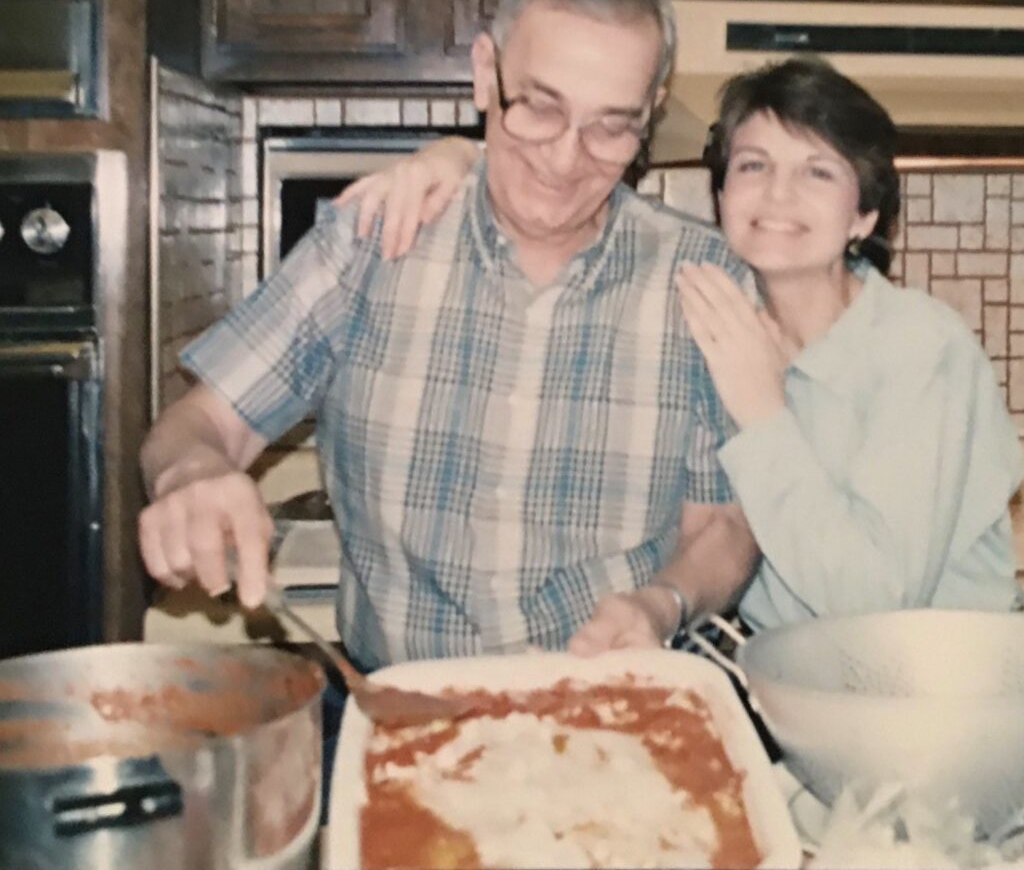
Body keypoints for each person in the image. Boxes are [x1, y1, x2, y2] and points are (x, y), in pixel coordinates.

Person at [138, 0, 760, 672]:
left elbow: (721, 524)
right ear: (483, 73)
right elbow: (198, 425)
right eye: (538, 106)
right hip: (402, 713)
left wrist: (664, 604)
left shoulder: (703, 278)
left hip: (612, 716)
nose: (565, 160)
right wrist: (191, 477)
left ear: (651, 110)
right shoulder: (370, 242)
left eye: (611, 125)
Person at [346, 55, 1024, 632]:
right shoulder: (708, 307)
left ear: (864, 213)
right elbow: (588, 202)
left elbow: (873, 601)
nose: (779, 194)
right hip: (794, 709)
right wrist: (460, 155)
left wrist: (763, 411)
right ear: (723, 194)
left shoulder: (921, 350)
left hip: (936, 722)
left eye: (818, 172)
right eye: (753, 165)